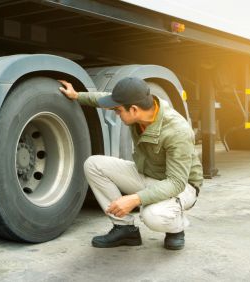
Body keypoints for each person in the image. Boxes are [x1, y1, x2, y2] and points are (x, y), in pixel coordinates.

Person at [59, 77, 203, 250]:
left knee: (153, 216)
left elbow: (176, 182)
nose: (116, 114)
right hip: (149, 174)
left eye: (118, 111)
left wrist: (135, 199)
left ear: (134, 109)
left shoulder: (177, 131)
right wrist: (77, 95)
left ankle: (176, 228)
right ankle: (125, 229)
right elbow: (106, 99)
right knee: (93, 164)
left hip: (182, 186)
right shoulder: (140, 111)